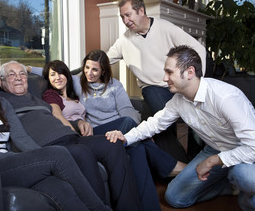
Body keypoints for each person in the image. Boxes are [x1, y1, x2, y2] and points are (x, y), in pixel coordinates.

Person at [0, 60, 143, 211]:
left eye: (22, 74)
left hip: (52, 146)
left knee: (63, 185)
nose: (18, 78)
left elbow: (22, 137)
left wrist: (45, 155)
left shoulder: (4, 103)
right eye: (2, 77)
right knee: (63, 154)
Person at [106, 45, 255, 211]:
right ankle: (230, 185)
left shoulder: (226, 97)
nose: (164, 78)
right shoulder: (178, 101)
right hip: (215, 149)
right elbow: (155, 123)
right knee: (175, 197)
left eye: (169, 72)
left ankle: (243, 191)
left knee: (246, 178)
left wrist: (213, 161)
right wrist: (126, 137)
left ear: (190, 72)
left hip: (246, 152)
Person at [40, 59, 187, 211]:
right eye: (52, 75)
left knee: (138, 149)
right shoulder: (51, 95)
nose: (57, 77)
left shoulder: (74, 94)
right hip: (77, 137)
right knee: (127, 123)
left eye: (61, 73)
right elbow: (57, 115)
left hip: (89, 133)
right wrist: (28, 68)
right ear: (48, 78)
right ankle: (168, 164)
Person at [106, 0, 207, 162]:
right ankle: (183, 163)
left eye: (128, 14)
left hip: (177, 84)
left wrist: (197, 79)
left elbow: (197, 48)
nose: (125, 20)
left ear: (141, 11)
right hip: (152, 87)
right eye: (122, 16)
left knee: (195, 112)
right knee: (163, 113)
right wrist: (75, 72)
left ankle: (197, 156)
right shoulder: (124, 40)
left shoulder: (165, 27)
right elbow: (104, 59)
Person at [31, 50, 141, 136]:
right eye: (87, 67)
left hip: (119, 126)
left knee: (139, 146)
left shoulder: (115, 85)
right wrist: (28, 68)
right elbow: (57, 73)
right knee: (130, 125)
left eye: (95, 70)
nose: (89, 73)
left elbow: (126, 109)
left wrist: (138, 127)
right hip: (96, 130)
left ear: (103, 71)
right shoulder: (78, 82)